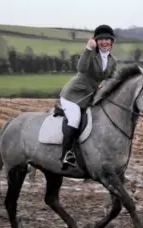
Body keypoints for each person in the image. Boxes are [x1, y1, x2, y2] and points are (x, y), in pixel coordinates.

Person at [57, 24, 118, 170]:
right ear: (96, 41)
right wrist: (88, 49)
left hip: (91, 96)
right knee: (75, 119)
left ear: (112, 42)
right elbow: (81, 69)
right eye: (101, 39)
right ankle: (66, 154)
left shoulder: (112, 61)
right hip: (74, 95)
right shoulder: (91, 53)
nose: (104, 42)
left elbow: (111, 79)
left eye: (107, 39)